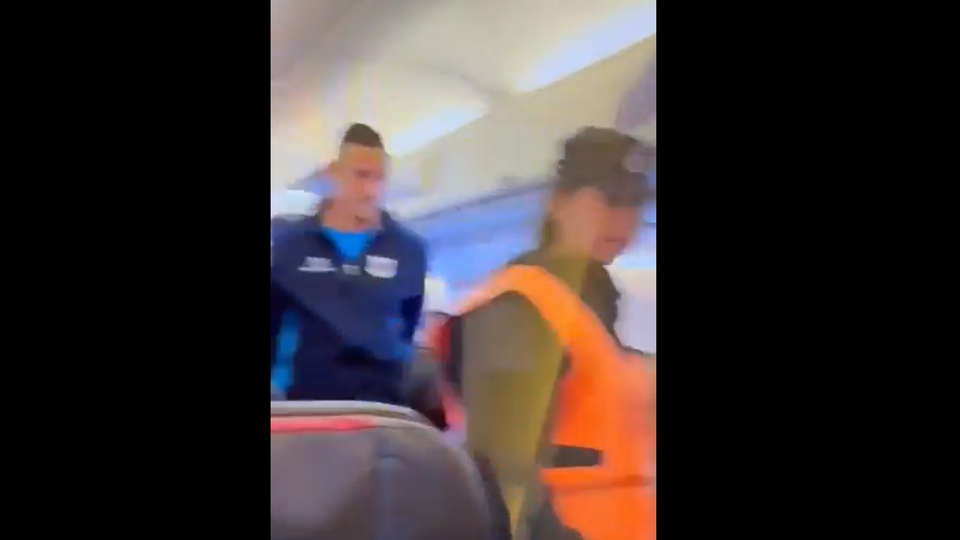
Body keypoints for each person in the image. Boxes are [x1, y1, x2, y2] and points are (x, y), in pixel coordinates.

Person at [431, 127, 656, 540]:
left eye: (635, 202)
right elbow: (505, 480)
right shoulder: (516, 308)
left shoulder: (594, 303)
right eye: (608, 199)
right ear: (559, 202)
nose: (623, 218)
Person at [271, 123, 427, 404]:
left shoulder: (408, 251)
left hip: (382, 408)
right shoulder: (290, 248)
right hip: (306, 407)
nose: (370, 190)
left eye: (378, 179)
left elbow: (408, 327)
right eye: (360, 176)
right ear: (333, 173)